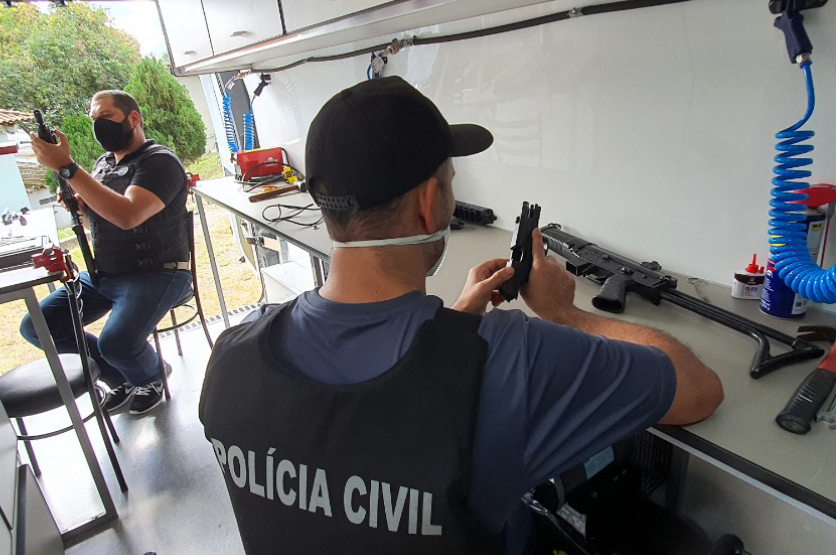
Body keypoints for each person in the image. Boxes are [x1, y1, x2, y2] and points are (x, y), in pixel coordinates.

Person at [199, 77, 723, 554]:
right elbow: (697, 391)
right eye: (449, 181)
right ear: (430, 202)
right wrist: (566, 314)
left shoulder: (231, 357)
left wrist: (452, 324)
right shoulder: (509, 358)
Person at [22, 90, 192, 416]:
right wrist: (81, 205)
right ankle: (122, 378)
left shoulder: (159, 162)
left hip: (158, 272)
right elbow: (97, 222)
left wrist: (69, 168)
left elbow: (129, 215)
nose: (99, 125)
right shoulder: (103, 165)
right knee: (37, 326)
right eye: (94, 119)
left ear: (133, 118)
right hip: (105, 273)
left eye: (106, 117)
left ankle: (151, 376)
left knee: (115, 342)